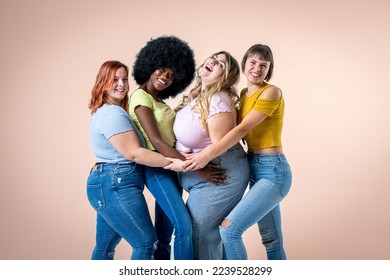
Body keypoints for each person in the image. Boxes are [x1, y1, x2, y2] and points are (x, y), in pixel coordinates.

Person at [182, 44, 293, 260]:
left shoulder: (271, 91)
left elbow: (242, 129)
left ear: (269, 69)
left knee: (229, 230)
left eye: (263, 65)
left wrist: (205, 155)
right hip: (254, 169)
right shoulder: (243, 94)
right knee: (271, 240)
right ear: (244, 65)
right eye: (253, 62)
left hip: (274, 171)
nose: (257, 68)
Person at [129, 36, 226, 260]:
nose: (165, 77)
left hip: (175, 168)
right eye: (162, 70)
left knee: (165, 234)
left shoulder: (160, 101)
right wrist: (196, 167)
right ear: (150, 66)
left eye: (171, 75)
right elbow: (158, 141)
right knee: (184, 226)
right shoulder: (140, 97)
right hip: (158, 169)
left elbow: (171, 139)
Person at [86, 60, 184, 260]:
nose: (121, 84)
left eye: (124, 79)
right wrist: (174, 162)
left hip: (106, 184)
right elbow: (134, 153)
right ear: (102, 82)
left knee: (105, 248)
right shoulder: (112, 113)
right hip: (116, 184)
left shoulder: (107, 111)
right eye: (114, 80)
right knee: (147, 244)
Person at [170, 51, 250, 260]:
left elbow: (221, 144)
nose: (214, 61)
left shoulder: (218, 99)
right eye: (214, 57)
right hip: (200, 177)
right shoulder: (197, 97)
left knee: (201, 234)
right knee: (207, 236)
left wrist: (201, 159)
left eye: (221, 64)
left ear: (225, 77)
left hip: (221, 173)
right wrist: (179, 152)